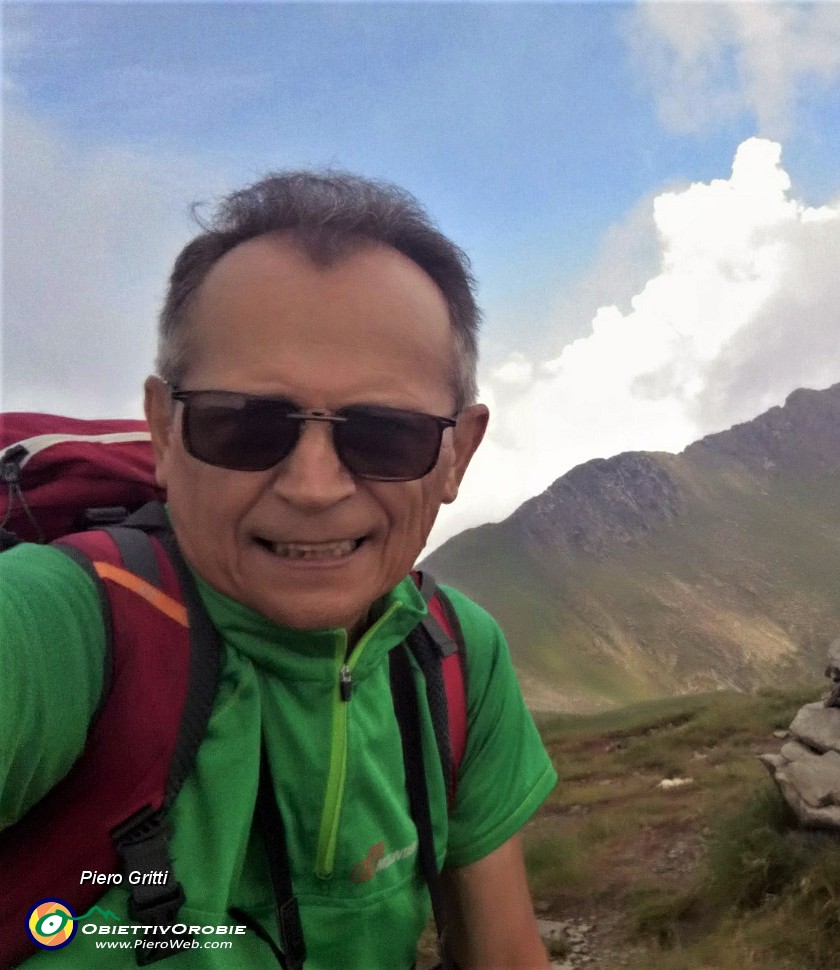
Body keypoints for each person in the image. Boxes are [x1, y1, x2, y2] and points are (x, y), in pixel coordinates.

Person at [0, 172, 557, 968]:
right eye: (245, 426)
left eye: (385, 435)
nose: (313, 486)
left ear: (456, 454)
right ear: (163, 432)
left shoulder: (455, 654)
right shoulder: (60, 628)